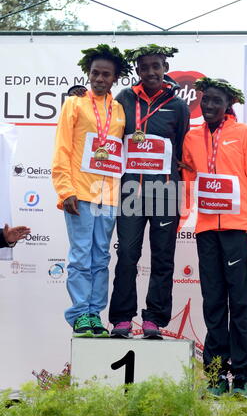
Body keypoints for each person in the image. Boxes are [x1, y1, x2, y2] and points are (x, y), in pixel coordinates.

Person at [68, 44, 190, 339]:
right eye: (145, 67)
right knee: (127, 256)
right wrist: (78, 94)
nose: (150, 72)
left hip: (165, 192)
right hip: (129, 191)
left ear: (165, 69)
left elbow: (184, 154)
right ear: (137, 71)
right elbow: (102, 118)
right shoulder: (123, 99)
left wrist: (181, 199)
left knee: (163, 257)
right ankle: (122, 318)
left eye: (156, 67)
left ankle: (154, 320)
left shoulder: (178, 107)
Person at [182, 77, 247, 397]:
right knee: (214, 304)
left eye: (215, 102)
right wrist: (179, 220)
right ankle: (216, 375)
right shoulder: (191, 137)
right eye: (205, 101)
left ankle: (242, 378)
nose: (208, 107)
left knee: (241, 304)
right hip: (206, 231)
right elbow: (187, 178)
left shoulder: (243, 134)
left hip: (239, 231)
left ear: (228, 105)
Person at [52, 44, 132, 338]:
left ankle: (95, 313)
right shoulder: (73, 104)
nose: (99, 78)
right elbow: (62, 148)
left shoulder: (120, 110)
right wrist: (65, 190)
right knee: (80, 256)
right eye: (95, 73)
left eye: (105, 74)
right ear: (88, 74)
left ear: (115, 78)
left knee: (101, 257)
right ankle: (79, 313)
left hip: (108, 195)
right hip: (80, 193)